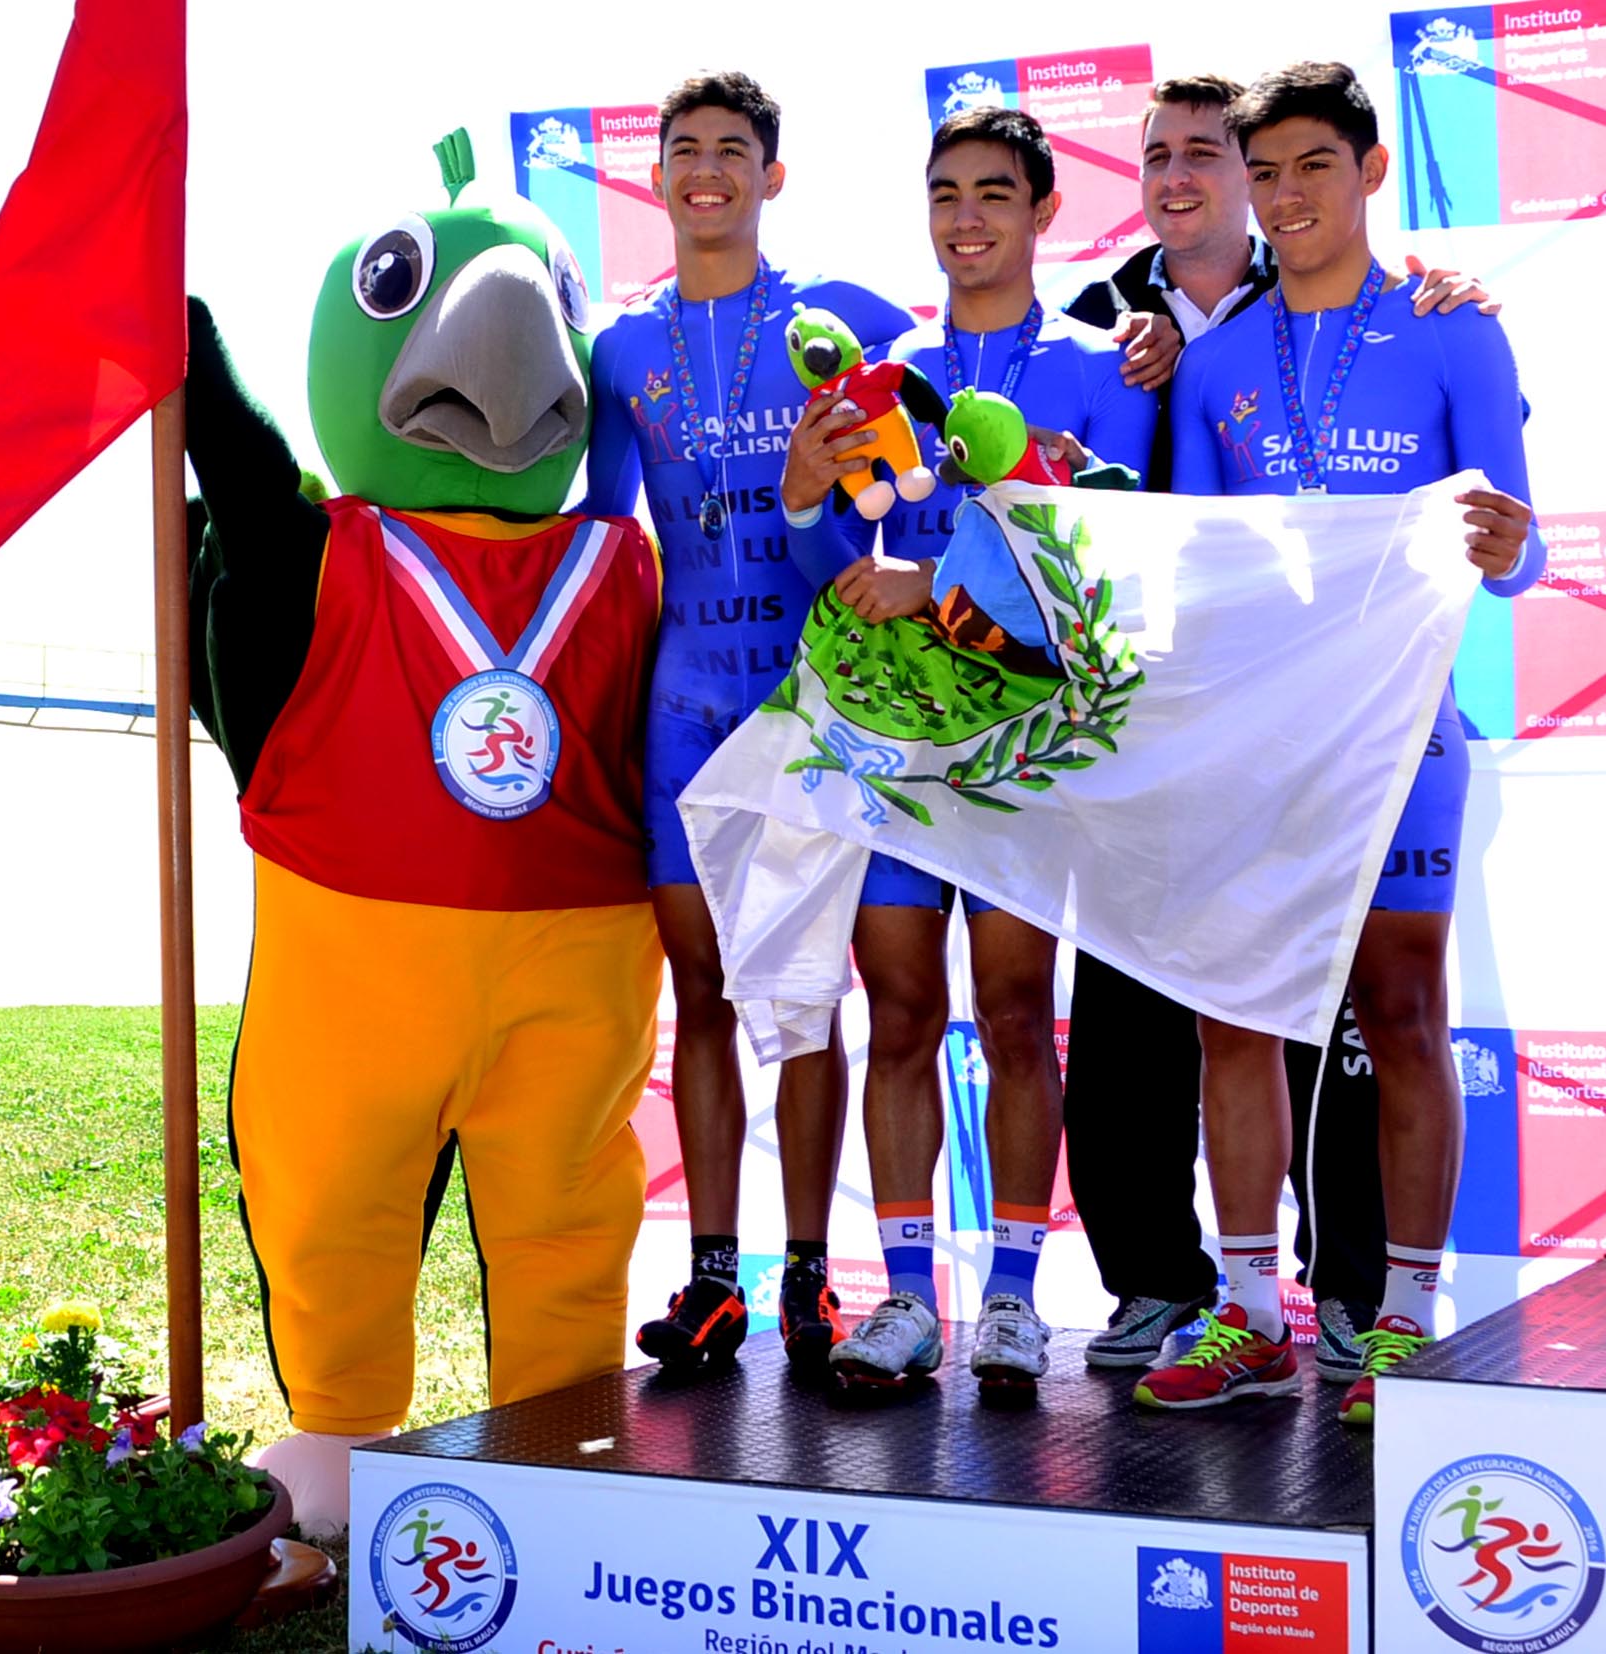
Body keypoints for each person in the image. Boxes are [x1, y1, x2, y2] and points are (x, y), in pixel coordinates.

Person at [1059, 75, 1494, 1380]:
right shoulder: (1093, 321)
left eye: (1210, 153)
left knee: (1368, 1020)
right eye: (1160, 156)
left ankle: (1363, 1297)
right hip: (1164, 724)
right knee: (1156, 1015)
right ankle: (1166, 1285)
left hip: (1355, 721)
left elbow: (1487, 509)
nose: (1185, 175)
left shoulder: (1380, 304)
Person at [777, 106, 1157, 1398]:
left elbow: (1114, 569)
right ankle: (901, 1301)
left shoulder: (1106, 370)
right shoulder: (882, 368)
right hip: (891, 744)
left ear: (1047, 210)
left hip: (1017, 749)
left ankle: (1009, 1297)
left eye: (996, 192)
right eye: (946, 193)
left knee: (1011, 1012)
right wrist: (803, 500)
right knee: (899, 1013)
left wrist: (936, 577)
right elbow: (830, 563)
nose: (968, 217)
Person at [584, 72, 945, 1375]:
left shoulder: (838, 318)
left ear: (771, 177)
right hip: (687, 709)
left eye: (734, 152)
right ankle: (713, 1278)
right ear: (657, 175)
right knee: (706, 997)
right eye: (685, 151)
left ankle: (809, 1280)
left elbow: (956, 408)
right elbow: (590, 528)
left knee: (811, 1000)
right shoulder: (620, 350)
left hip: (818, 704)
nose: (708, 173)